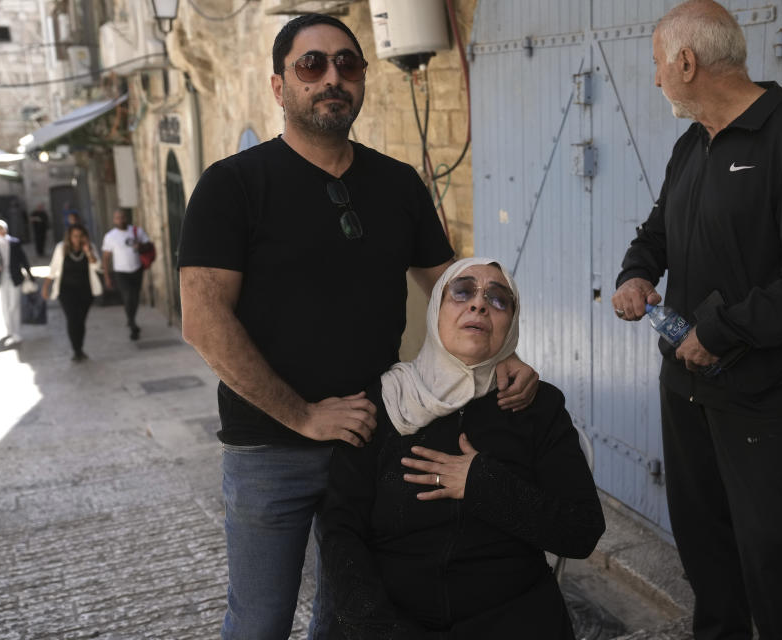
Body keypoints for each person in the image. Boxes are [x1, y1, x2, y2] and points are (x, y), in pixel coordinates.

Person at [177, 14, 539, 640]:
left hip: (376, 440)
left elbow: (449, 280)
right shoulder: (232, 185)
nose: (331, 78)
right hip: (270, 448)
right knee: (259, 622)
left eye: (347, 63)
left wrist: (500, 352)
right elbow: (203, 320)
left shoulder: (396, 183)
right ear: (278, 86)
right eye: (311, 65)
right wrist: (304, 415)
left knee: (351, 619)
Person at [611, 2, 782, 639]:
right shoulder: (692, 144)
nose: (657, 79)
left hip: (758, 393)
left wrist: (720, 332)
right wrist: (635, 273)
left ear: (687, 62)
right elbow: (655, 233)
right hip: (683, 387)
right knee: (702, 548)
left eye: (660, 65)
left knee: (768, 551)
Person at [315, 258, 604, 640]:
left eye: (499, 299)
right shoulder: (383, 401)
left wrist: (482, 483)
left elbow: (581, 531)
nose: (479, 305)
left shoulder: (537, 407)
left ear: (510, 327)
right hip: (391, 618)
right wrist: (379, 628)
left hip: (511, 614)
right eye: (463, 292)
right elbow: (339, 530)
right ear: (435, 309)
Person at [41, 223, 103, 361]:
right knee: (72, 319)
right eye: (75, 236)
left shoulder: (90, 247)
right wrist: (46, 287)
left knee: (80, 321)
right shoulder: (61, 248)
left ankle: (79, 347)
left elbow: (98, 266)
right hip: (66, 291)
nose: (77, 239)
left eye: (80, 236)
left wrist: (88, 252)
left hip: (86, 291)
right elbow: (53, 268)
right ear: (69, 236)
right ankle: (77, 350)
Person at [102, 209, 149, 341]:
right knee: (128, 297)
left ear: (126, 218)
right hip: (120, 272)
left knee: (134, 297)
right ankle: (132, 323)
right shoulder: (110, 236)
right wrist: (107, 277)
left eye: (122, 217)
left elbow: (148, 245)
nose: (120, 220)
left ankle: (131, 318)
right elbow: (106, 258)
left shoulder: (136, 231)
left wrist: (140, 246)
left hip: (137, 269)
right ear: (114, 220)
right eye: (117, 218)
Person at [0, 218, 33, 346]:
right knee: (5, 304)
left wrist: (30, 275)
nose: (0, 231)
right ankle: (9, 330)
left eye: (2, 228)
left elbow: (23, 259)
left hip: (15, 277)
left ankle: (17, 331)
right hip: (1, 279)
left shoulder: (14, 243)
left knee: (14, 305)